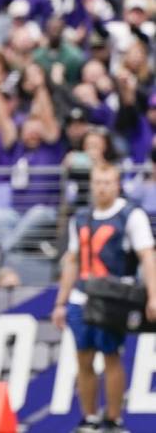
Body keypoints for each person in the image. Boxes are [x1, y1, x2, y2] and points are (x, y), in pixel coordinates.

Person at [51, 164, 156, 433]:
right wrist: (61, 302)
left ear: (118, 184)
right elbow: (72, 261)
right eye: (97, 182)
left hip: (113, 299)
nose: (102, 187)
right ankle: (89, 418)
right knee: (83, 358)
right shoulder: (81, 217)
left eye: (107, 182)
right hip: (81, 296)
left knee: (111, 356)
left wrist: (153, 295)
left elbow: (147, 256)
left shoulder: (130, 215)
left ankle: (113, 418)